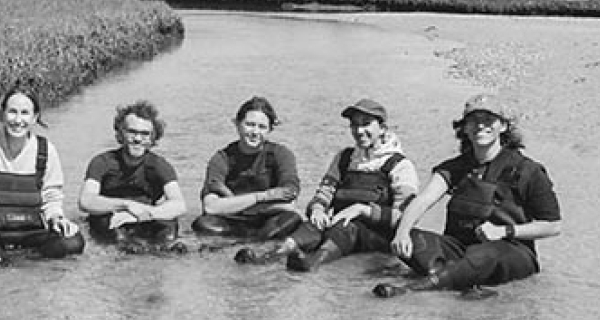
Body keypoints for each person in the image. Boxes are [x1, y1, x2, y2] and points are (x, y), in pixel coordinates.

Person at [373, 94, 562, 299]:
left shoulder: (528, 171)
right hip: (459, 247)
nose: (481, 126)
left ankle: (414, 290)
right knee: (413, 239)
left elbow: (553, 226)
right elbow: (423, 200)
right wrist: (402, 232)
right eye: (473, 120)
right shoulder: (454, 167)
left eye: (489, 120)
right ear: (464, 128)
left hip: (511, 252)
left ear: (503, 127)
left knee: (484, 255)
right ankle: (460, 281)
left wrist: (505, 231)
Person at [235, 99, 420, 271]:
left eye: (365, 124)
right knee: (313, 225)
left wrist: (362, 210)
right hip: (338, 227)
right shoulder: (344, 158)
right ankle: (272, 256)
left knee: (346, 227)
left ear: (382, 128)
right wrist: (317, 209)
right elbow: (325, 192)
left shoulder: (400, 166)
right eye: (354, 124)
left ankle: (312, 263)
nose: (359, 130)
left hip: (376, 237)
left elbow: (406, 216)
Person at [0, 87, 84, 263]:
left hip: (33, 234)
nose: (18, 120)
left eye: (25, 113)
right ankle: (4, 264)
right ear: (2, 113)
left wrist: (58, 219)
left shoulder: (47, 151)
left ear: (35, 117)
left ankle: (28, 264)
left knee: (73, 241)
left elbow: (52, 197)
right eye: (12, 112)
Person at [78, 101, 188, 254]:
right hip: (112, 217)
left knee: (170, 233)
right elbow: (86, 201)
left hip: (146, 218)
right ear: (120, 133)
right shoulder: (102, 162)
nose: (137, 139)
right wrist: (127, 205)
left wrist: (143, 214)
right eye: (132, 132)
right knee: (118, 239)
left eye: (144, 134)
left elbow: (179, 205)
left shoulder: (159, 165)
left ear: (153, 138)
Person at [191, 96, 304, 245]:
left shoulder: (281, 154)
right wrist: (262, 197)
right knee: (202, 224)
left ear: (270, 129)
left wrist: (234, 203)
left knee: (291, 219)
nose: (255, 132)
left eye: (262, 127)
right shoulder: (222, 158)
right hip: (230, 221)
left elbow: (289, 203)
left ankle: (257, 247)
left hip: (267, 222)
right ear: (237, 124)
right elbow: (211, 207)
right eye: (250, 124)